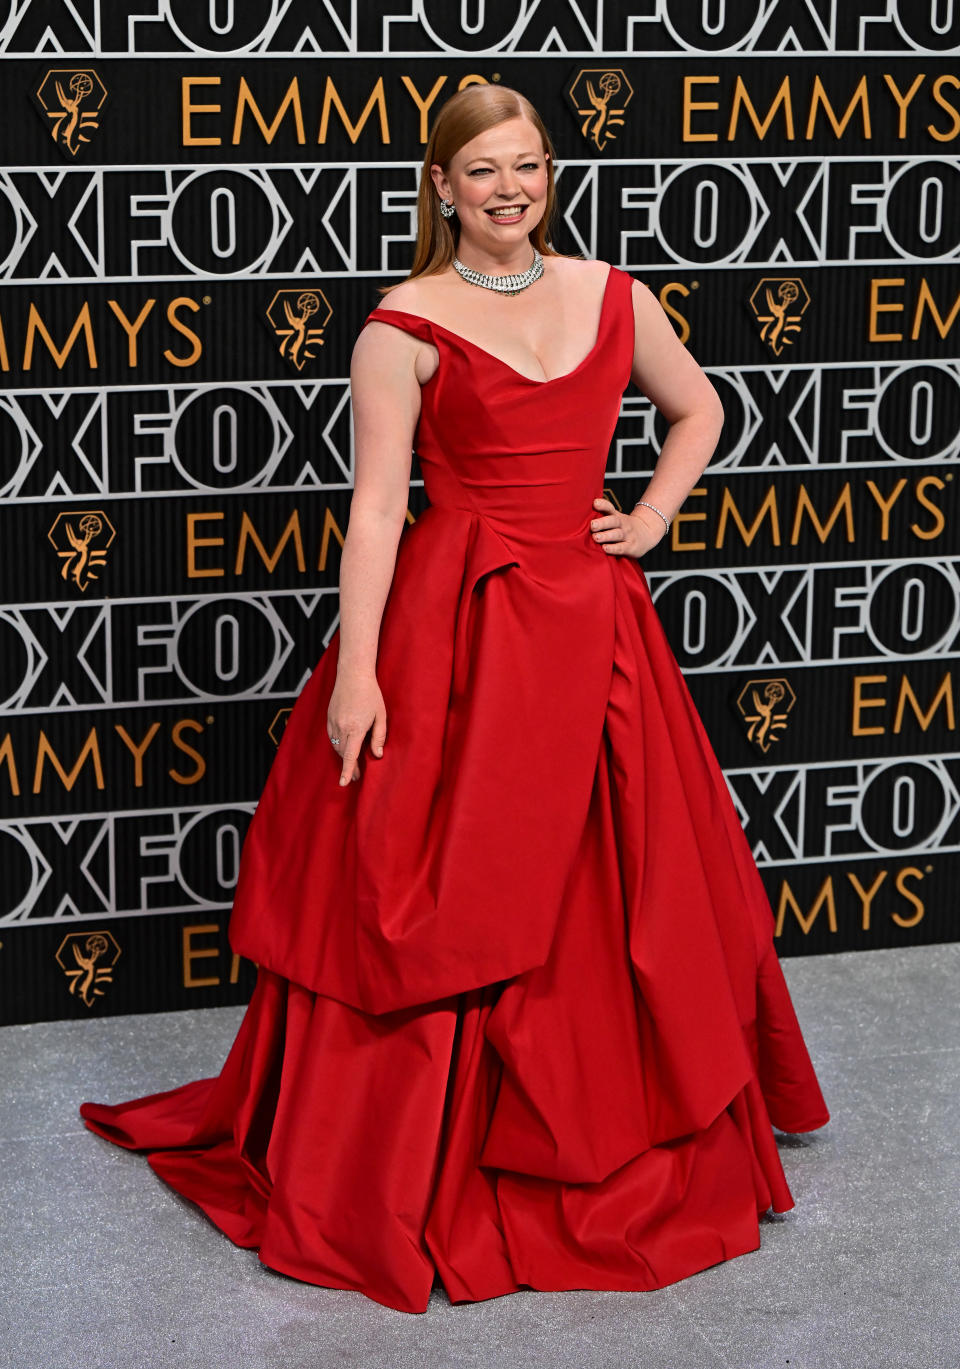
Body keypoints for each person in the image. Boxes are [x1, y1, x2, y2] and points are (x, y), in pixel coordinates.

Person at [79, 84, 830, 1315]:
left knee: (619, 878)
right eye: (482, 171)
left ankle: (603, 1129)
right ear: (442, 185)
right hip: (460, 632)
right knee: (435, 881)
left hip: (592, 630)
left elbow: (699, 410)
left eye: (527, 166)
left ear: (551, 171)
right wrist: (360, 669)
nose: (509, 190)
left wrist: (644, 519)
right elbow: (377, 510)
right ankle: (416, 1151)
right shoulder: (401, 327)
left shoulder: (614, 295)